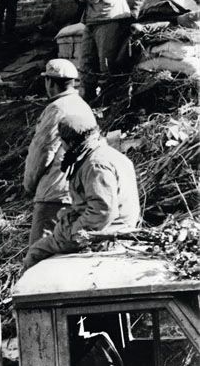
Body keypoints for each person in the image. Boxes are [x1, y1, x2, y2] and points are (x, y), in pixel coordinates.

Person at [23, 111, 140, 270]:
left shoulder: (95, 164)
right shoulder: (108, 154)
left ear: (70, 142)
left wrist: (74, 232)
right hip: (114, 228)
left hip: (104, 234)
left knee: (36, 253)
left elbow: (103, 211)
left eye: (62, 142)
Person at [23, 59, 95, 245]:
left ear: (50, 82)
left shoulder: (57, 108)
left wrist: (29, 184)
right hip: (78, 191)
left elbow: (42, 151)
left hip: (53, 192)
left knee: (40, 250)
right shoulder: (83, 106)